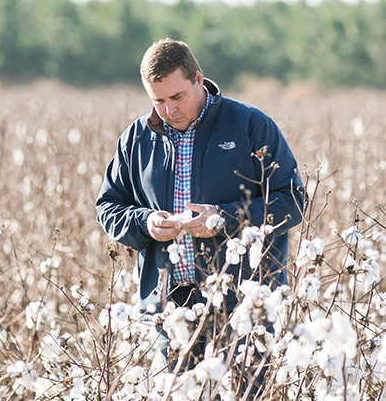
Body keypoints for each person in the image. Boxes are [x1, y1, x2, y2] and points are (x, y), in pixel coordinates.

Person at [96, 38, 304, 371]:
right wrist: (144, 222)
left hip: (243, 308)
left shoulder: (250, 126)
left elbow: (292, 200)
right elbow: (109, 205)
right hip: (170, 311)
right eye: (158, 100)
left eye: (177, 97)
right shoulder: (137, 138)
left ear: (198, 79)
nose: (169, 110)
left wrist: (225, 218)